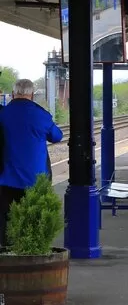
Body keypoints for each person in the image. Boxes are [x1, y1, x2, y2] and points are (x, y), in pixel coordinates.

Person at [0, 79, 63, 246]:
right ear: (32, 95)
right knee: (35, 221)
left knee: (7, 220)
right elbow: (57, 137)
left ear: (13, 94)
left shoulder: (3, 114)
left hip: (6, 179)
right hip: (35, 179)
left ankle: (8, 254)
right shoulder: (41, 115)